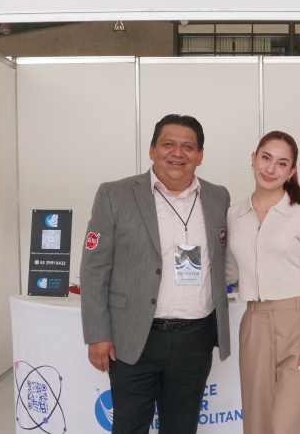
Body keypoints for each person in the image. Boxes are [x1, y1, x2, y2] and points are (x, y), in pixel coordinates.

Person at [80, 114, 231, 434]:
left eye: (188, 147)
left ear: (200, 155)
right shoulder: (115, 194)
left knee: (182, 427)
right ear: (152, 150)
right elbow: (94, 267)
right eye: (168, 144)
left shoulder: (219, 196)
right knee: (129, 426)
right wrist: (97, 334)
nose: (178, 153)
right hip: (133, 337)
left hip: (195, 339)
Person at [225, 131, 300, 434]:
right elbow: (230, 273)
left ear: (291, 171)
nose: (271, 169)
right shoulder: (234, 214)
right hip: (254, 323)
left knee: (283, 426)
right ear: (253, 159)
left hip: (298, 325)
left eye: (282, 164)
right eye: (266, 158)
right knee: (256, 424)